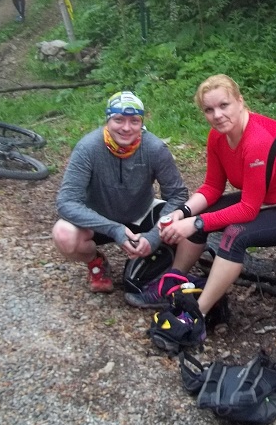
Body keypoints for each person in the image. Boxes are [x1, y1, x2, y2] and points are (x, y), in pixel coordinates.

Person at [127, 75, 276, 330]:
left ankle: (197, 315)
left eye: (224, 105)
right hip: (271, 198)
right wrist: (183, 212)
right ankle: (174, 279)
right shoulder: (218, 136)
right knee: (203, 216)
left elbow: (248, 209)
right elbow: (212, 187)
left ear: (240, 101)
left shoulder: (257, 141)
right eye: (209, 110)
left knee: (235, 235)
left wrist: (196, 223)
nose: (217, 115)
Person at [53, 91, 189, 293]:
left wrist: (155, 235)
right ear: (108, 120)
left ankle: (172, 274)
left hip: (141, 213)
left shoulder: (155, 148)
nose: (126, 128)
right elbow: (66, 202)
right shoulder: (88, 148)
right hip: (98, 219)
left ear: (141, 122)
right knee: (63, 234)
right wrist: (114, 229)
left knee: (186, 222)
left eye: (134, 121)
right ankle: (95, 262)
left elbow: (177, 195)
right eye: (118, 120)